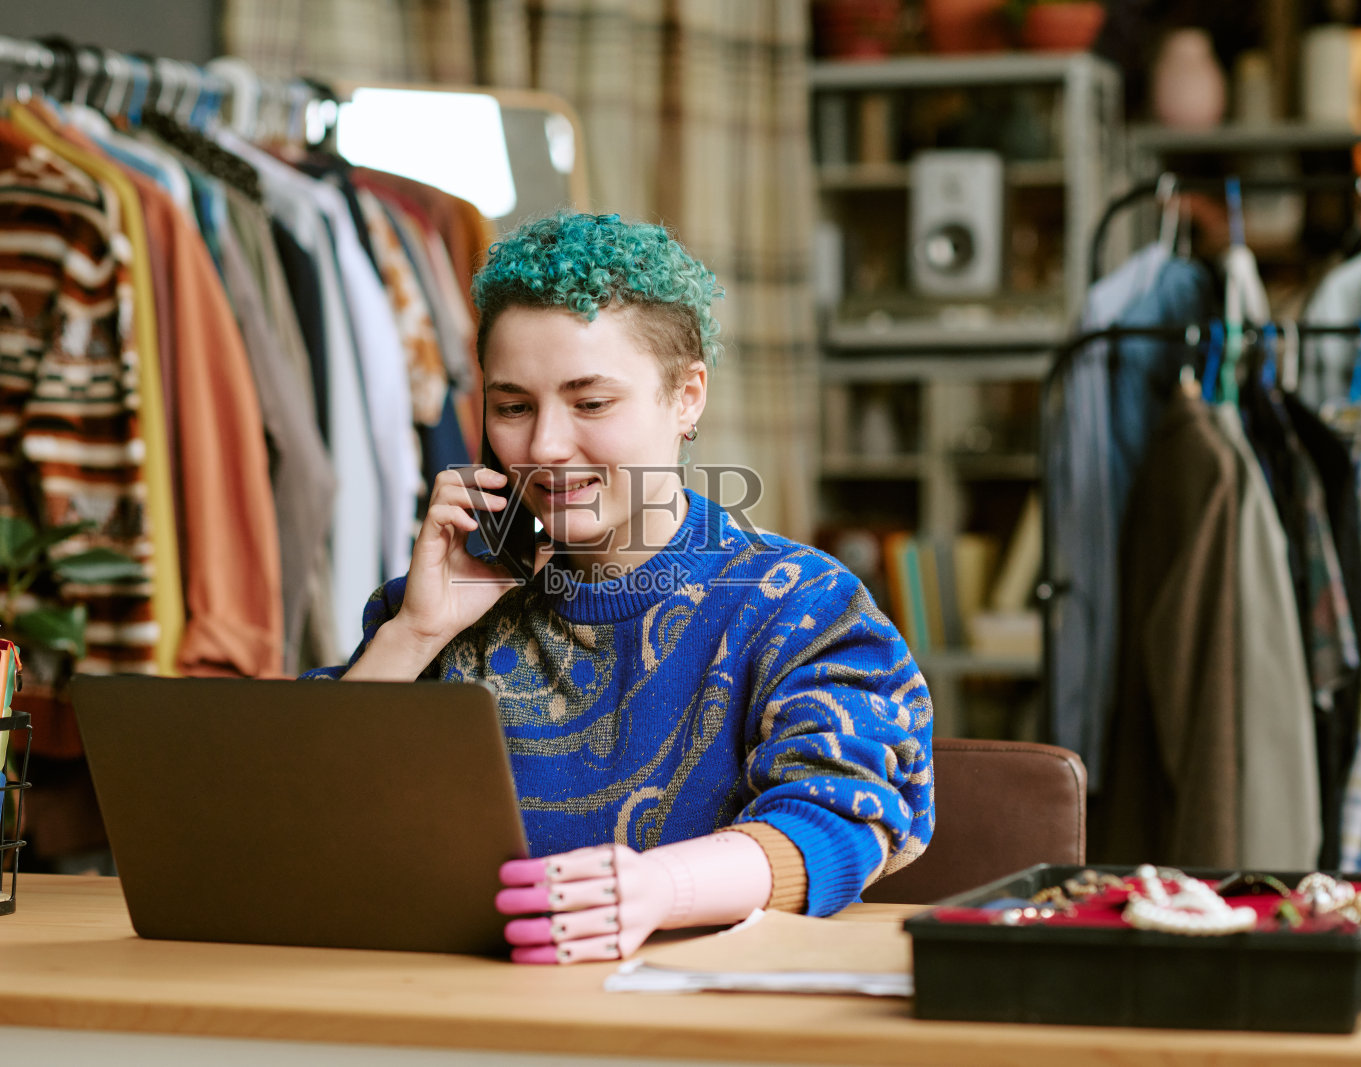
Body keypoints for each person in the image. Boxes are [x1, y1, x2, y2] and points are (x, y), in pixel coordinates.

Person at [303, 212, 933, 964]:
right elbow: (300, 820)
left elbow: (844, 816)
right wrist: (411, 637)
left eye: (591, 402)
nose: (543, 446)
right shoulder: (431, 611)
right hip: (455, 1013)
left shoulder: (801, 606)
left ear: (687, 395)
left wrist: (658, 889)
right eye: (512, 406)